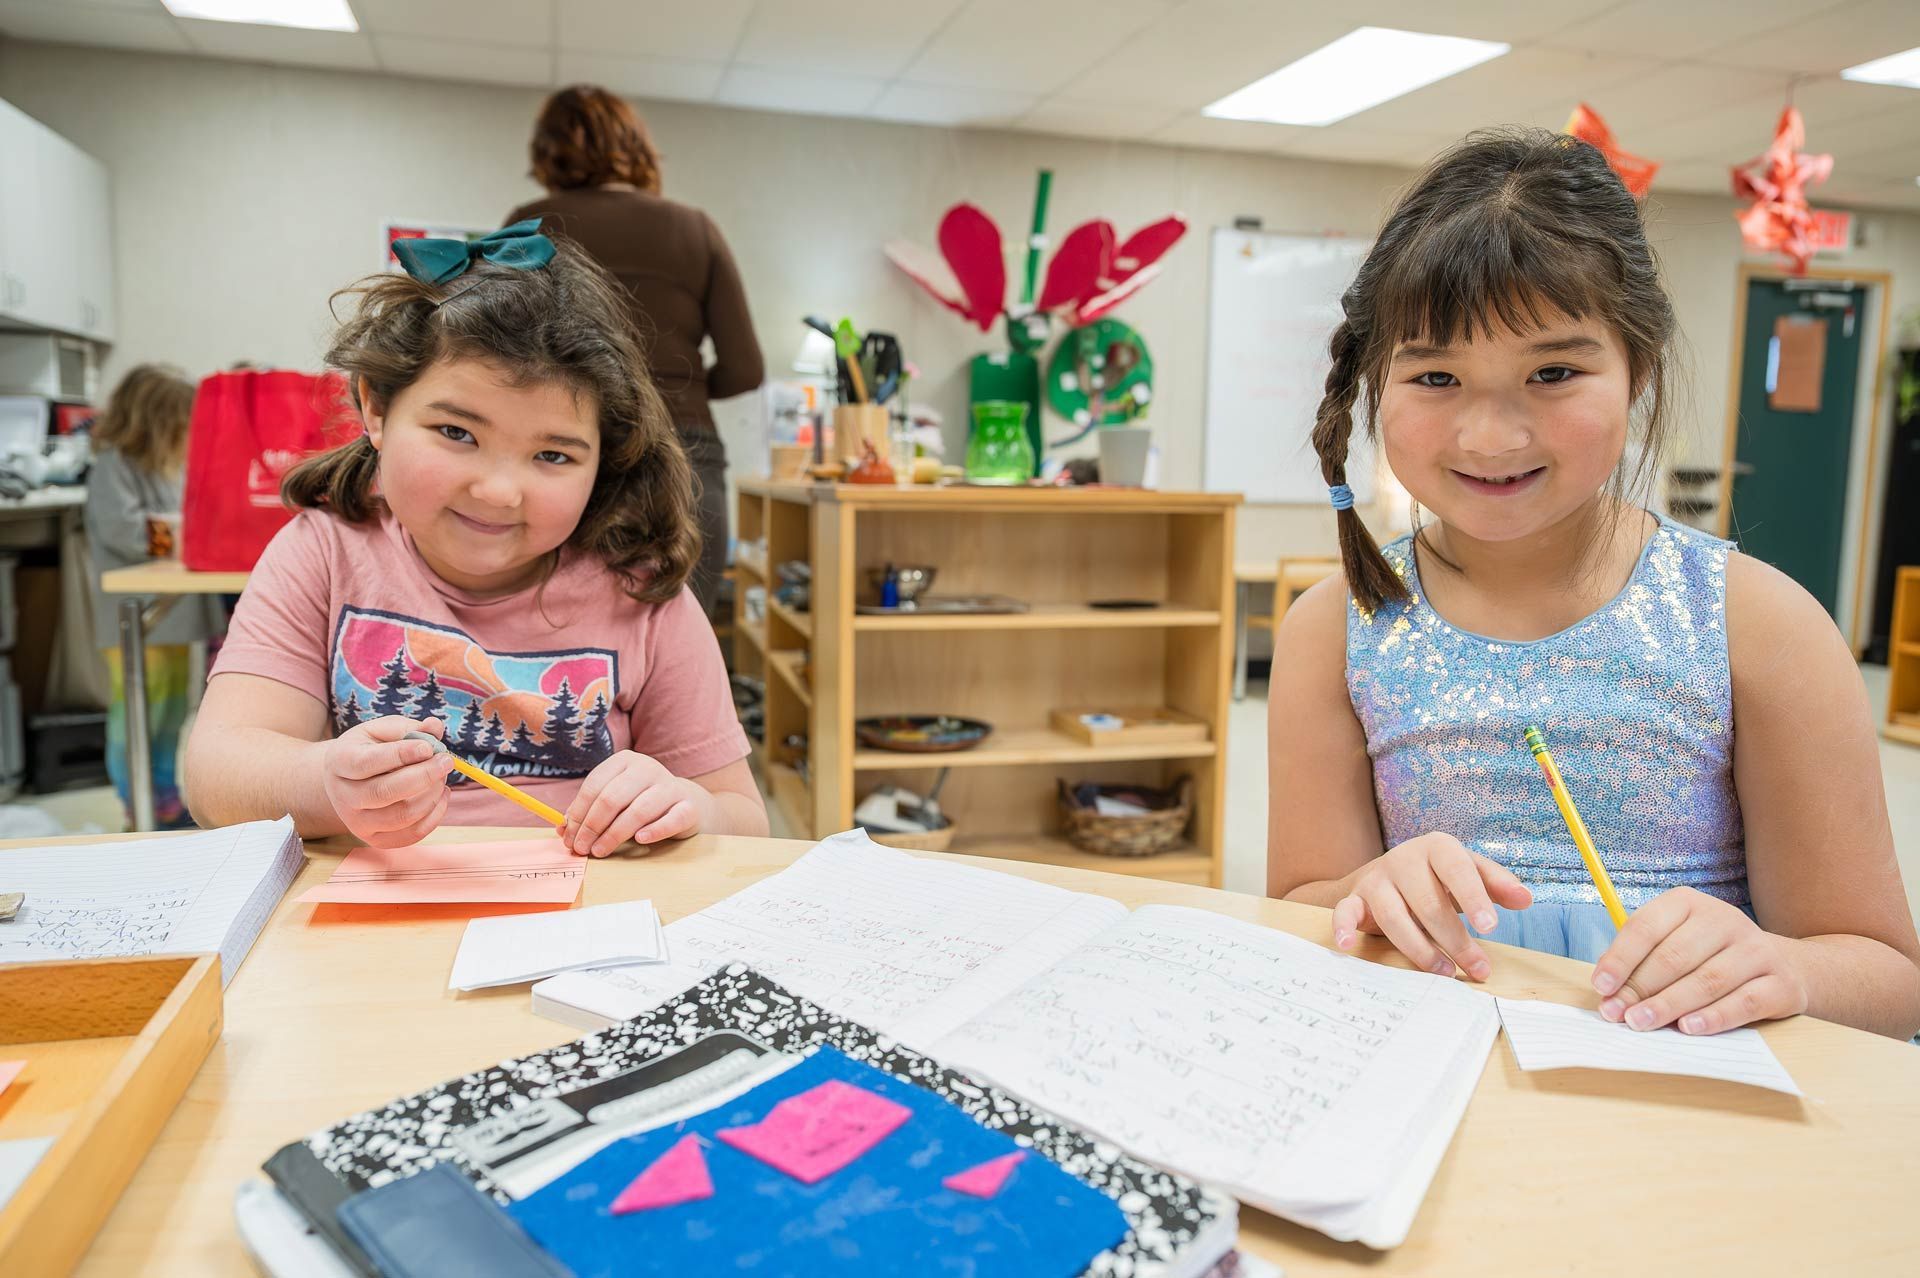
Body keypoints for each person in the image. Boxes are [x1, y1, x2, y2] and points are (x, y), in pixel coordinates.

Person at [1266, 128, 1920, 1040]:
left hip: (1688, 1116)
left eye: (1554, 372)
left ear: (1636, 371)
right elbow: (1299, 912)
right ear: (1375, 382)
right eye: (1437, 376)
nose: (1491, 436)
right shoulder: (1335, 628)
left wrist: (1788, 967)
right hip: (1425, 1102)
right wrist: (1362, 895)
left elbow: (1890, 983)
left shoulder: (1758, 623)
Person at [183, 223, 766, 855]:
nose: (498, 491)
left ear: (606, 460)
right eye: (457, 433)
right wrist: (326, 782)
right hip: (372, 931)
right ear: (376, 408)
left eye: (553, 455)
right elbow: (216, 777)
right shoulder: (322, 554)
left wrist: (691, 807)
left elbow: (745, 819)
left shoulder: (641, 590)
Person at [508, 85, 764, 617]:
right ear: (638, 147)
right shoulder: (695, 229)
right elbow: (746, 370)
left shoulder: (530, 224)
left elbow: (501, 351)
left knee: (566, 656)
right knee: (681, 658)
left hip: (572, 448)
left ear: (548, 153)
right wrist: (681, 384)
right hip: (687, 450)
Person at [84, 363, 224, 829]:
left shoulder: (168, 466)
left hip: (173, 610)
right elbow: (126, 530)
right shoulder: (113, 465)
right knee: (138, 712)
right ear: (156, 422)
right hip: (137, 609)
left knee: (171, 711)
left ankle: (165, 800)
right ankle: (138, 805)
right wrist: (180, 532)